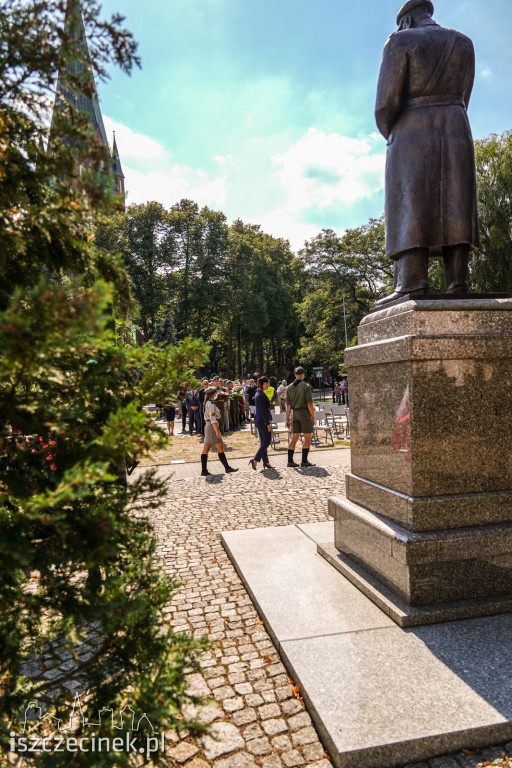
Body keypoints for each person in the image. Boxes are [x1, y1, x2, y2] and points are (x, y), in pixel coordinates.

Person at [374, 0, 479, 307]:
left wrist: (394, 132)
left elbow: (385, 103)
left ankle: (411, 282)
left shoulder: (399, 41)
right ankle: (458, 281)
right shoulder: (464, 43)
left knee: (410, 200)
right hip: (456, 123)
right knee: (457, 201)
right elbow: (465, 94)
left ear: (406, 20)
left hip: (411, 128)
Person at [201, 387, 239, 477]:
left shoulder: (208, 402)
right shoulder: (211, 404)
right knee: (215, 447)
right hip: (212, 426)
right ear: (213, 394)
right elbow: (213, 419)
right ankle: (226, 468)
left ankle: (206, 470)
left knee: (210, 448)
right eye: (215, 393)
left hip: (209, 426)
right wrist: (217, 432)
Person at [286, 366, 315, 468]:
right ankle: (304, 461)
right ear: (303, 375)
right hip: (304, 413)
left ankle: (290, 461)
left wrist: (287, 419)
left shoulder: (289, 387)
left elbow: (288, 405)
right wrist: (313, 417)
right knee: (307, 438)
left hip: (294, 414)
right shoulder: (306, 386)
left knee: (294, 438)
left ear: (295, 375)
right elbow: (310, 404)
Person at [249, 377, 274, 471]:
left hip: (259, 420)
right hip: (262, 421)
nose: (268, 385)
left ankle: (266, 462)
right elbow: (263, 411)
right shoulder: (260, 395)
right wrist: (267, 424)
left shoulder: (259, 393)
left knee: (264, 442)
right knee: (267, 442)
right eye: (267, 383)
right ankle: (255, 459)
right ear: (263, 384)